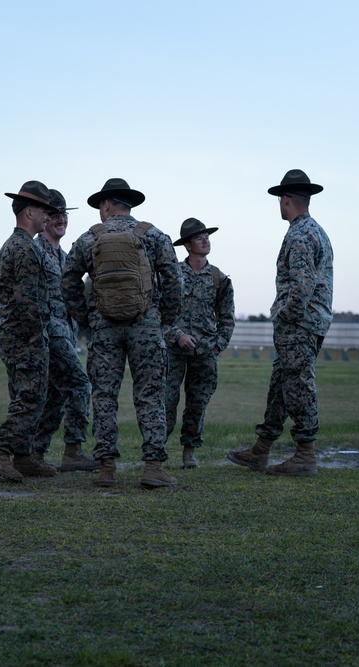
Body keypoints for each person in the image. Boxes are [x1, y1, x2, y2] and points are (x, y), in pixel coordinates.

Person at [62, 178, 183, 488]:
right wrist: (162, 319)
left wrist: (87, 318)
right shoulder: (152, 235)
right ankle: (153, 466)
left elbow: (68, 280)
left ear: (105, 205)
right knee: (150, 394)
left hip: (103, 328)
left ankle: (106, 467)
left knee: (104, 395)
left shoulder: (90, 238)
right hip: (145, 325)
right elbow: (174, 280)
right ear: (128, 205)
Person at [227, 169, 334, 477]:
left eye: (279, 199)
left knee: (299, 385)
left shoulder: (300, 235)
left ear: (286, 199)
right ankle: (260, 450)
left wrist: (286, 314)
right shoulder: (316, 231)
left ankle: (305, 454)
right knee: (281, 385)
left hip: (299, 324)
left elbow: (301, 285)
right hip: (310, 322)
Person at [0, 180, 61, 482]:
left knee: (24, 394)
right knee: (31, 396)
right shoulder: (25, 248)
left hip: (13, 332)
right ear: (29, 212)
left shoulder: (14, 244)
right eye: (44, 211)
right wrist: (35, 336)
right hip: (23, 334)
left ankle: (24, 456)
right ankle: (0, 453)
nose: (48, 217)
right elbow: (27, 299)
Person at [32, 189, 99, 472]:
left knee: (56, 395)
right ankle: (73, 451)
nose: (61, 220)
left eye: (64, 215)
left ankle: (34, 453)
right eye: (55, 215)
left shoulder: (64, 256)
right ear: (44, 218)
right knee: (80, 384)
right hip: (47, 333)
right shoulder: (34, 251)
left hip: (65, 333)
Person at [164, 218, 235, 469]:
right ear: (187, 245)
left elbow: (227, 318)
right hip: (173, 351)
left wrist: (217, 346)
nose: (205, 240)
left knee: (198, 404)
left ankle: (189, 451)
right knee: (166, 402)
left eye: (207, 236)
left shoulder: (219, 278)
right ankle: (157, 453)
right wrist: (176, 335)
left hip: (205, 352)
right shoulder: (172, 274)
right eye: (199, 237)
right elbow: (158, 312)